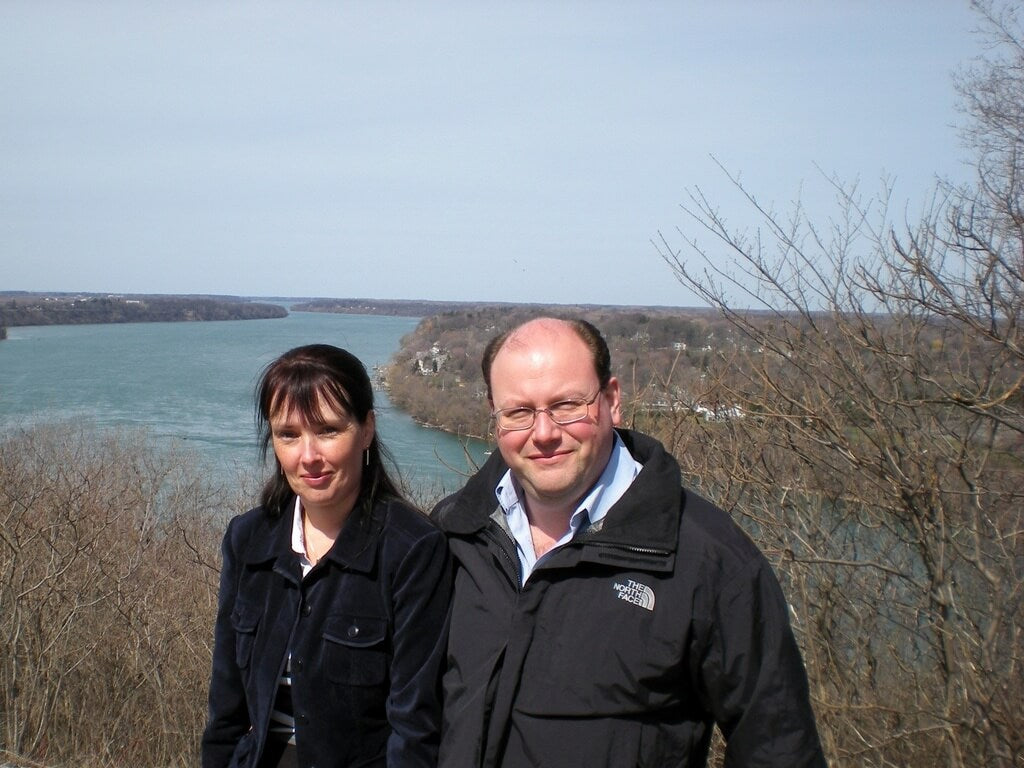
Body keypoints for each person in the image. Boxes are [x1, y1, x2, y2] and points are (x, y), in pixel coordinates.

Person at [432, 317, 827, 767]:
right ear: (495, 416)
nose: (543, 433)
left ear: (612, 401)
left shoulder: (708, 561)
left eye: (567, 405)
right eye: (519, 412)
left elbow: (778, 748)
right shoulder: (454, 534)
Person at [202, 344, 452, 768]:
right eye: (289, 435)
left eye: (329, 430)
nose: (309, 456)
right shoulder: (250, 539)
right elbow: (226, 704)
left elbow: (415, 728)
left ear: (367, 429)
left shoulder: (412, 552)